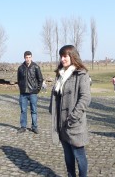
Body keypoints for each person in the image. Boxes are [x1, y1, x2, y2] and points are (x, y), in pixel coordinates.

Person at [49, 45, 91, 177]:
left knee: (79, 156)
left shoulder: (81, 74)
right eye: (61, 56)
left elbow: (85, 98)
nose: (63, 59)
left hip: (74, 123)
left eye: (65, 56)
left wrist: (73, 117)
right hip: (61, 123)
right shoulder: (60, 74)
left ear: (72, 56)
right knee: (68, 157)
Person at [17, 51, 43, 134]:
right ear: (24, 58)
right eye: (26, 57)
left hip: (33, 93)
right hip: (23, 93)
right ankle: (23, 127)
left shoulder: (36, 67)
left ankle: (34, 127)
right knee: (23, 111)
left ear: (31, 57)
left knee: (34, 110)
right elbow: (19, 80)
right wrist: (21, 88)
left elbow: (40, 79)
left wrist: (37, 89)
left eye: (29, 57)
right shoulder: (20, 68)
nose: (28, 59)